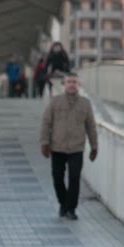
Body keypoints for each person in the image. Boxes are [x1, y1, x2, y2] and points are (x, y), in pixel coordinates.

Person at [40, 72, 98, 220]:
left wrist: (94, 146)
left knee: (74, 178)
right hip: (58, 147)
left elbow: (91, 126)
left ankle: (71, 209)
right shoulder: (55, 102)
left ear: (78, 85)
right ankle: (63, 203)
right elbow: (46, 122)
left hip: (76, 148)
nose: (71, 84)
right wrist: (44, 143)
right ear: (64, 85)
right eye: (69, 82)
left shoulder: (85, 103)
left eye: (74, 82)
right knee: (57, 178)